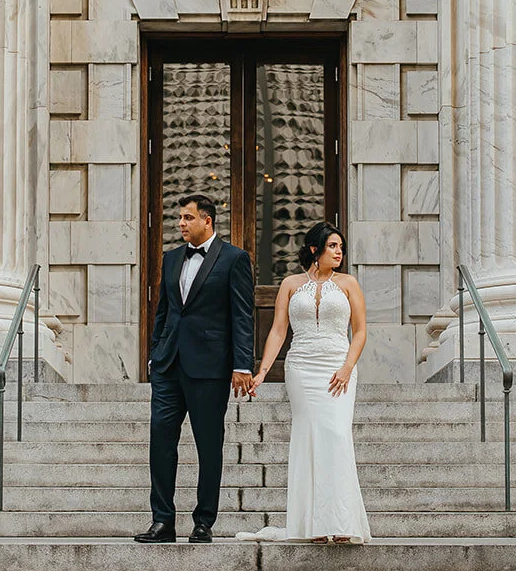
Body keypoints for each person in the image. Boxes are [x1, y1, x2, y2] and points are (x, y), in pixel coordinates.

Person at [133, 193, 255, 544]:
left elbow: (242, 316)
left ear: (207, 221)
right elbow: (164, 311)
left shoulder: (234, 259)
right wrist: (156, 353)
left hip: (210, 368)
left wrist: (242, 364)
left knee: (208, 446)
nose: (181, 224)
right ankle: (162, 521)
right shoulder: (171, 259)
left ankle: (204, 521)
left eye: (187, 218)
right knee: (161, 443)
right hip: (169, 366)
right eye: (180, 218)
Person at [245, 222, 372, 544]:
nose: (339, 252)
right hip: (301, 368)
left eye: (340, 246)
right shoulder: (290, 284)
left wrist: (347, 367)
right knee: (308, 438)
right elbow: (278, 331)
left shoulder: (349, 284)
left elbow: (359, 331)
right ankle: (314, 524)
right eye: (332, 246)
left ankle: (341, 522)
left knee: (337, 434)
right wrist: (261, 372)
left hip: (336, 367)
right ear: (315, 249)